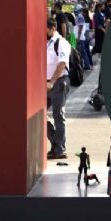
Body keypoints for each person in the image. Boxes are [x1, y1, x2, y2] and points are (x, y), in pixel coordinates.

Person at [46, 18, 70, 160]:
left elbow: (62, 64)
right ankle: (55, 142)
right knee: (40, 114)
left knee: (58, 115)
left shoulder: (61, 43)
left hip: (59, 82)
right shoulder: (47, 43)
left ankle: (60, 148)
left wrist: (52, 81)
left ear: (53, 28)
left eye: (46, 29)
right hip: (46, 83)